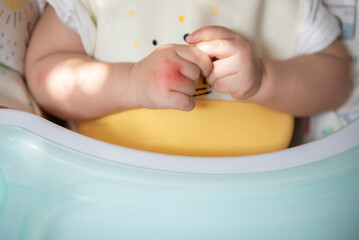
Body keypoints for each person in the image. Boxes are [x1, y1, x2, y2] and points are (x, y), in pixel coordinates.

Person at [25, 0, 352, 156]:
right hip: (113, 180)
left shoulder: (286, 8)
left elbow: (338, 81)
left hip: (253, 188)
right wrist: (131, 83)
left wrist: (265, 78)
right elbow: (45, 75)